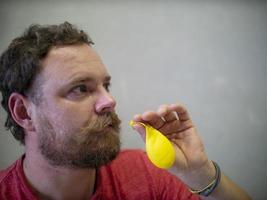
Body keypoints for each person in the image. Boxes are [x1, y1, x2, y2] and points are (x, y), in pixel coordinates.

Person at [0, 22, 251, 200]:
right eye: (80, 88)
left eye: (105, 86)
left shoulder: (145, 174)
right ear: (23, 112)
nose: (109, 101)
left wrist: (198, 173)